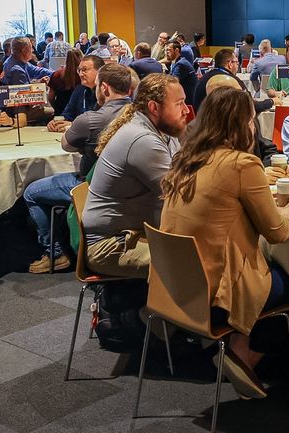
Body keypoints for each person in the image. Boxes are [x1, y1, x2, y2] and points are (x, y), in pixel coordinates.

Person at [159, 87, 289, 399]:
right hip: (216, 293)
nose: (254, 126)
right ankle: (244, 354)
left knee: (265, 268)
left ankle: (239, 345)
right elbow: (277, 233)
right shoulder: (242, 164)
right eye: (250, 120)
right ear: (241, 124)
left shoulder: (185, 159)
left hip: (173, 286)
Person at [24, 63, 133, 273]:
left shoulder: (90, 119)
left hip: (91, 187)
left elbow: (66, 146)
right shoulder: (141, 116)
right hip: (131, 191)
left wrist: (78, 136)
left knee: (31, 192)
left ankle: (55, 254)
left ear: (104, 88)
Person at [82, 74, 187, 278]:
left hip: (134, 233)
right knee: (197, 261)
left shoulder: (163, 132)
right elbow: (180, 195)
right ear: (154, 107)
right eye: (179, 103)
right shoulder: (142, 140)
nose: (186, 110)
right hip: (111, 245)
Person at [193, 48, 272, 113]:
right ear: (230, 64)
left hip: (201, 123)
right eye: (237, 62)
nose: (238, 65)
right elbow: (250, 106)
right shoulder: (231, 80)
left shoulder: (204, 78)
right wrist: (270, 102)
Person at [51, 54, 104, 131]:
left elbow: (102, 122)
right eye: (79, 70)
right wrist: (57, 123)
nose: (80, 74)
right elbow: (68, 114)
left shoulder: (106, 92)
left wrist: (74, 125)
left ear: (99, 71)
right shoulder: (79, 90)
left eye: (84, 70)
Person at [49, 49, 82, 115]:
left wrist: (55, 108)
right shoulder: (83, 76)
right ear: (81, 57)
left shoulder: (57, 74)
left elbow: (50, 97)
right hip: (79, 113)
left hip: (60, 112)